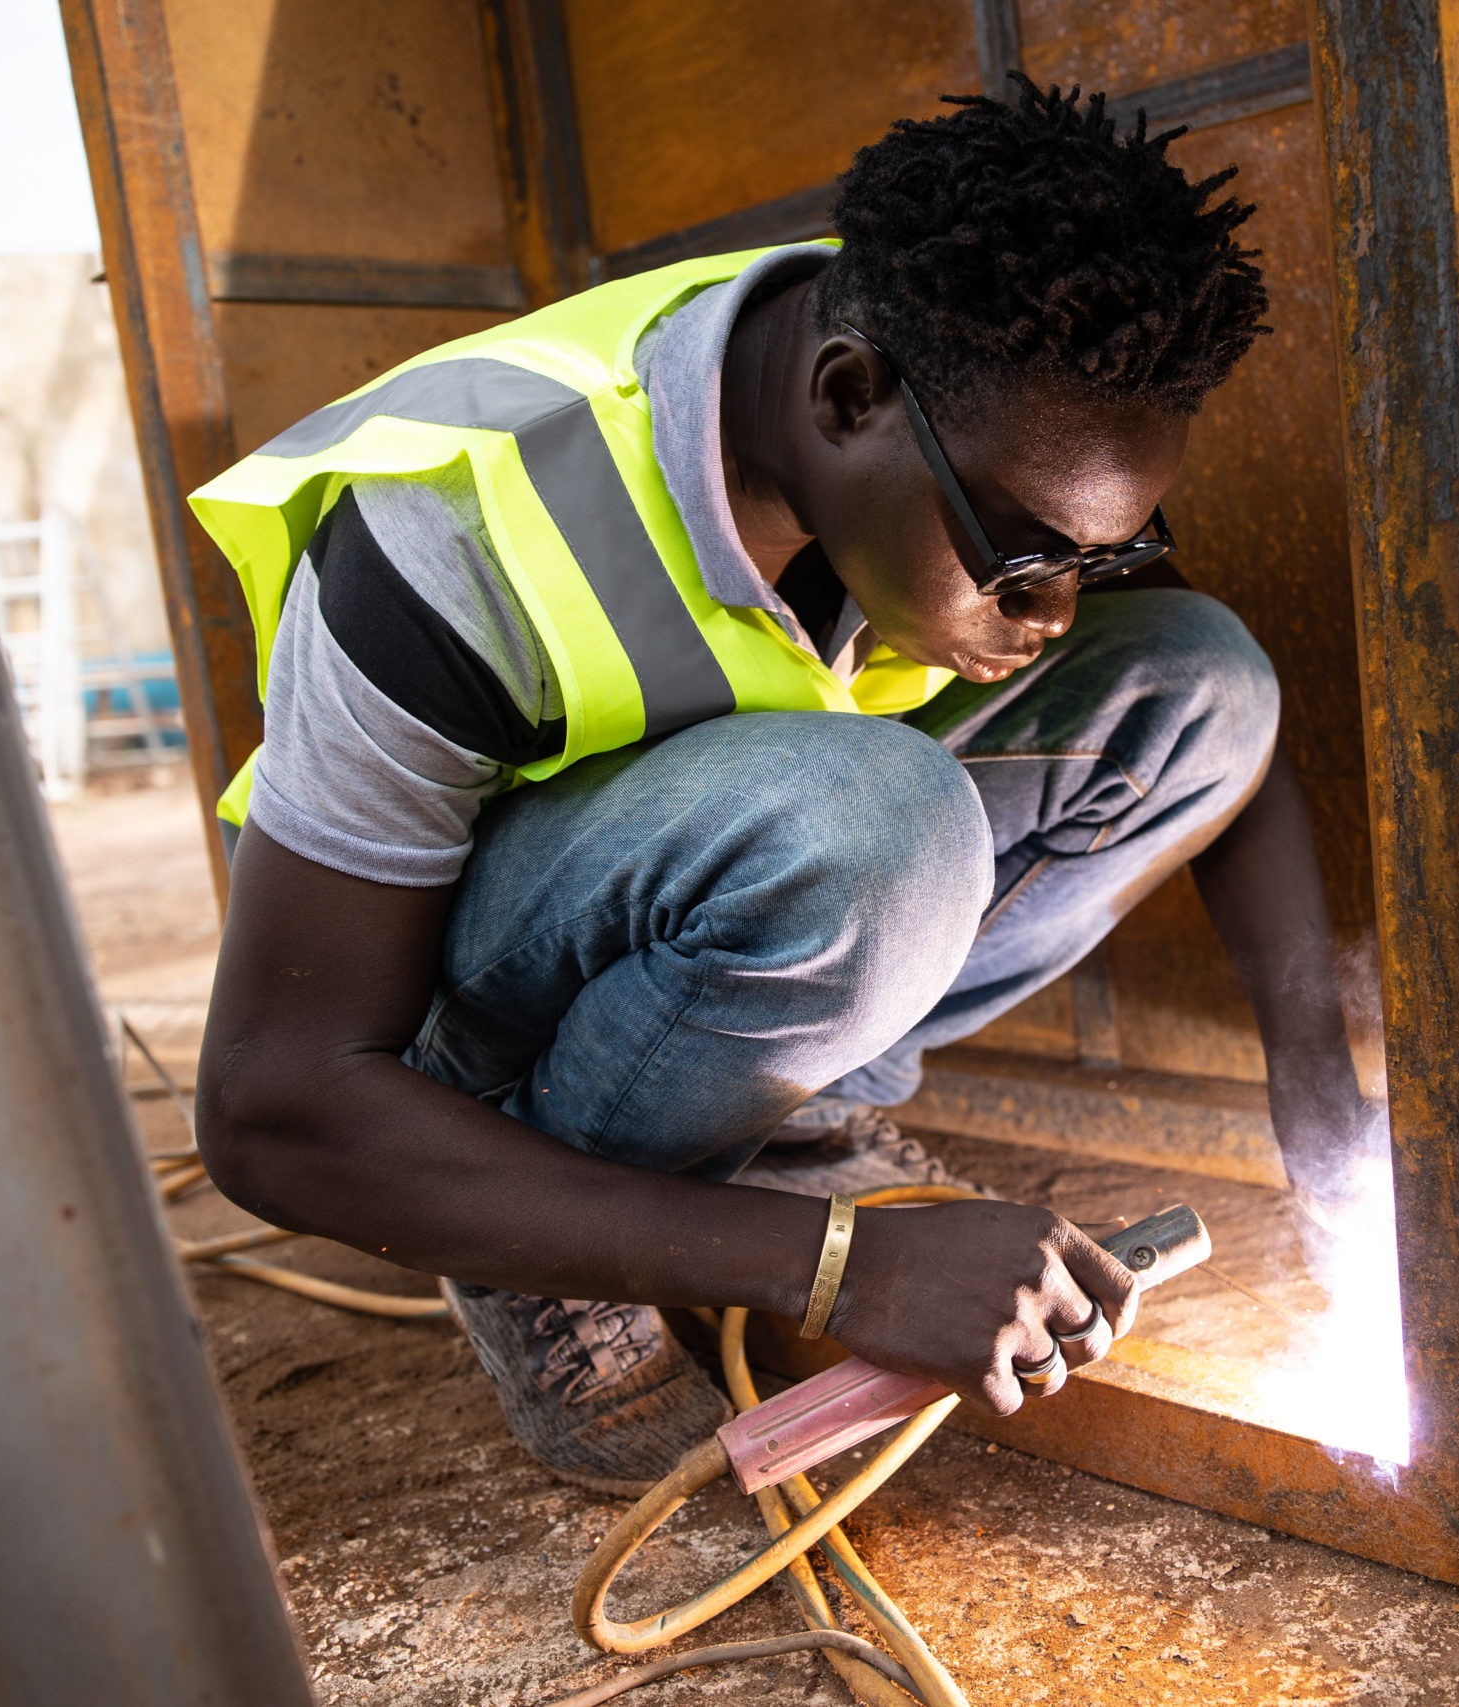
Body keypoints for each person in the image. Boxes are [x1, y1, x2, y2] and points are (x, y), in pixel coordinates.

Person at [190, 80, 1376, 1494]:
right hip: (465, 1016)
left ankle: (787, 1126)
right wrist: (839, 1267)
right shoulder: (455, 539)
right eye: (1022, 559)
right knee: (879, 826)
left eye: (1096, 554)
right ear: (847, 398)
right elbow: (273, 1108)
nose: (1054, 610)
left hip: (749, 865)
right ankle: (541, 1250)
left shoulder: (969, 359)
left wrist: (1322, 1095)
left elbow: (1150, 656)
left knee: (1201, 683)